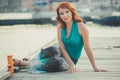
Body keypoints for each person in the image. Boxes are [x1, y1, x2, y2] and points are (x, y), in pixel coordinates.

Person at [13, 2, 107, 74]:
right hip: (61, 51)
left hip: (70, 60)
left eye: (67, 12)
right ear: (59, 16)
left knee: (54, 62)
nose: (65, 16)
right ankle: (31, 61)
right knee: (51, 49)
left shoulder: (82, 27)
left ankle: (22, 63)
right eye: (62, 13)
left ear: (72, 12)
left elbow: (87, 48)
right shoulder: (60, 27)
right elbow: (62, 47)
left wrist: (94, 66)